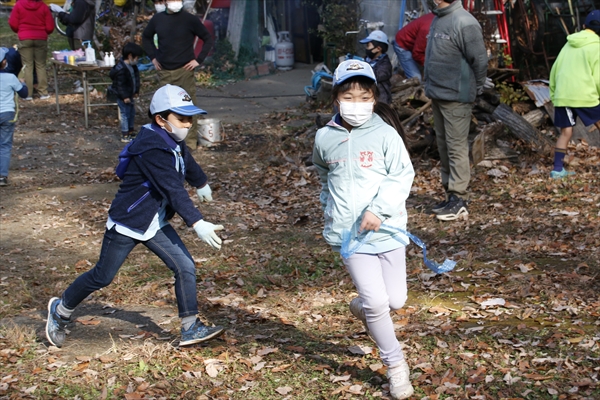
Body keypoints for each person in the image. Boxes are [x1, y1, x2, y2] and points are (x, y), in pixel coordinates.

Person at [45, 84, 226, 348]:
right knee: (102, 276)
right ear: (161, 119)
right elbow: (172, 188)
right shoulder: (150, 147)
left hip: (156, 222)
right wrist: (196, 221)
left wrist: (201, 183)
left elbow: (186, 162)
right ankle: (60, 310)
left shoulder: (172, 139)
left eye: (190, 118)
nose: (187, 124)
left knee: (185, 267)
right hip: (128, 222)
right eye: (181, 118)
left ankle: (190, 328)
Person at [312, 60, 415, 400]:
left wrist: (378, 210)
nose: (356, 102)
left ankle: (363, 307)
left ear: (373, 97)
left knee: (395, 301)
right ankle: (396, 366)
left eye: (363, 95)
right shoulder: (324, 136)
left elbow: (403, 175)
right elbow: (322, 172)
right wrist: (331, 206)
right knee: (377, 302)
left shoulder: (385, 134)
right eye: (348, 95)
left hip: (388, 232)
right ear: (336, 98)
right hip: (350, 236)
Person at [423, 0, 487, 221]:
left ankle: (459, 199)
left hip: (456, 96)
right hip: (438, 94)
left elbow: (479, 59)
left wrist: (477, 87)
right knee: (443, 147)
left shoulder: (465, 21)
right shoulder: (438, 19)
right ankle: (450, 195)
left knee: (456, 147)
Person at [142, 0, 214, 151]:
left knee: (188, 107)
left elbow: (207, 38)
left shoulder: (189, 19)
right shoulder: (158, 19)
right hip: (164, 72)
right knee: (164, 109)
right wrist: (153, 57)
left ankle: (189, 145)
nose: (175, 2)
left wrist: (198, 60)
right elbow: (146, 38)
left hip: (184, 71)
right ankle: (166, 142)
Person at [549, 10, 600, 179]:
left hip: (563, 94)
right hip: (585, 94)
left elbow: (555, 69)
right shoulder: (596, 46)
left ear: (584, 26)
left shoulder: (568, 43)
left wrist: (554, 93)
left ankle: (557, 170)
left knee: (565, 133)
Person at [8, 0, 54, 101]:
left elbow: (13, 23)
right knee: (40, 65)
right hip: (40, 38)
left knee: (27, 65)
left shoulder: (19, 4)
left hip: (25, 37)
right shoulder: (43, 6)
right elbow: (50, 26)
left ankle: (28, 93)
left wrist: (20, 30)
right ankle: (43, 92)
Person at [0, 48, 29, 187]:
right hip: (7, 114)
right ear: (4, 62)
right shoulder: (11, 77)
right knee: (5, 145)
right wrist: (22, 83)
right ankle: (2, 176)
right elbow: (24, 93)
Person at [109, 42, 143, 143]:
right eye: (136, 57)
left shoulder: (133, 67)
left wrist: (136, 91)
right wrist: (124, 96)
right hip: (123, 97)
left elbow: (135, 79)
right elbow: (120, 85)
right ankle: (125, 134)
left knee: (131, 113)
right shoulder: (121, 69)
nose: (137, 60)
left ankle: (131, 130)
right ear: (130, 56)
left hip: (130, 94)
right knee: (124, 114)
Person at [393, 12, 435, 81]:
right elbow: (417, 53)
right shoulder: (427, 29)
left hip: (416, 44)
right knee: (416, 79)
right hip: (403, 45)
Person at [359, 30, 393, 104]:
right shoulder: (365, 60)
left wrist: (361, 70)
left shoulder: (385, 64)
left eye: (368, 45)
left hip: (380, 98)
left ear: (378, 48)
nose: (366, 48)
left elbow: (376, 76)